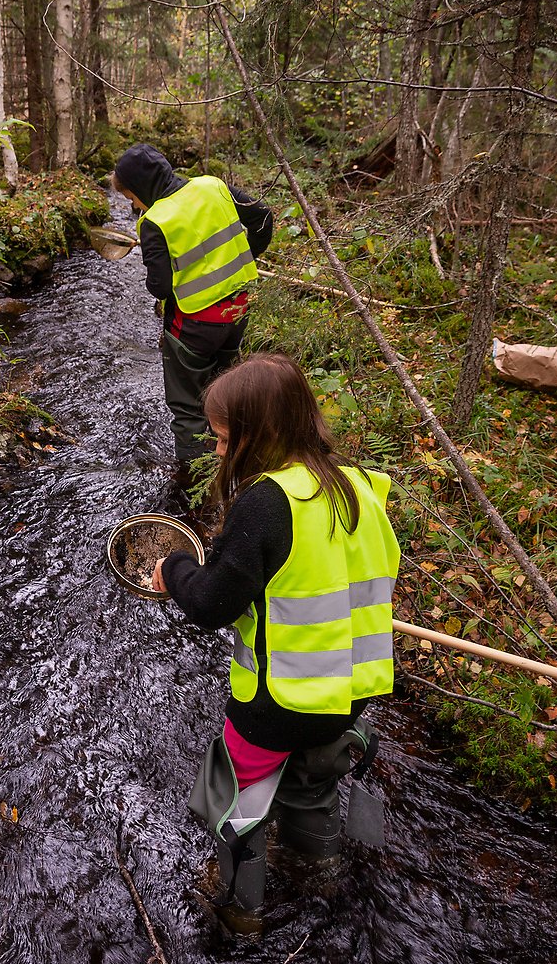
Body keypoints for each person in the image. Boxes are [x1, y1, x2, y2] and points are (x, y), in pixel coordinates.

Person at [151, 353, 401, 914]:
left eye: (222, 439)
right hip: (349, 694)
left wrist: (174, 572)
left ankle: (240, 915)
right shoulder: (360, 486)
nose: (217, 450)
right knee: (311, 781)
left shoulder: (267, 502)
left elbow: (215, 604)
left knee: (237, 803)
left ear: (257, 434)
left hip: (277, 701)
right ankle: (321, 875)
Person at [112, 144, 273, 481]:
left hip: (194, 326)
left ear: (142, 188)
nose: (132, 204)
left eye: (132, 196)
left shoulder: (154, 220)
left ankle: (196, 487)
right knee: (225, 392)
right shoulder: (212, 185)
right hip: (237, 312)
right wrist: (247, 254)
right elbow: (263, 217)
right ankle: (236, 462)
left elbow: (160, 288)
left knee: (188, 408)